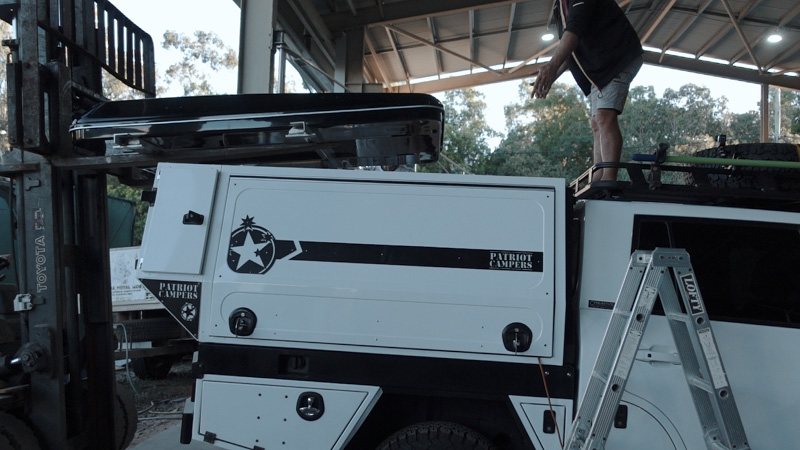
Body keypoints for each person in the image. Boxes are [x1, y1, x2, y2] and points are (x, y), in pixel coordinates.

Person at [532, 0, 643, 181]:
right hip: (597, 69)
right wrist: (553, 74)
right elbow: (570, 46)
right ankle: (599, 172)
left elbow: (575, 30)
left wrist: (552, 66)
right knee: (596, 122)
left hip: (616, 59)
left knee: (604, 116)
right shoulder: (559, 6)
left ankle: (609, 176)